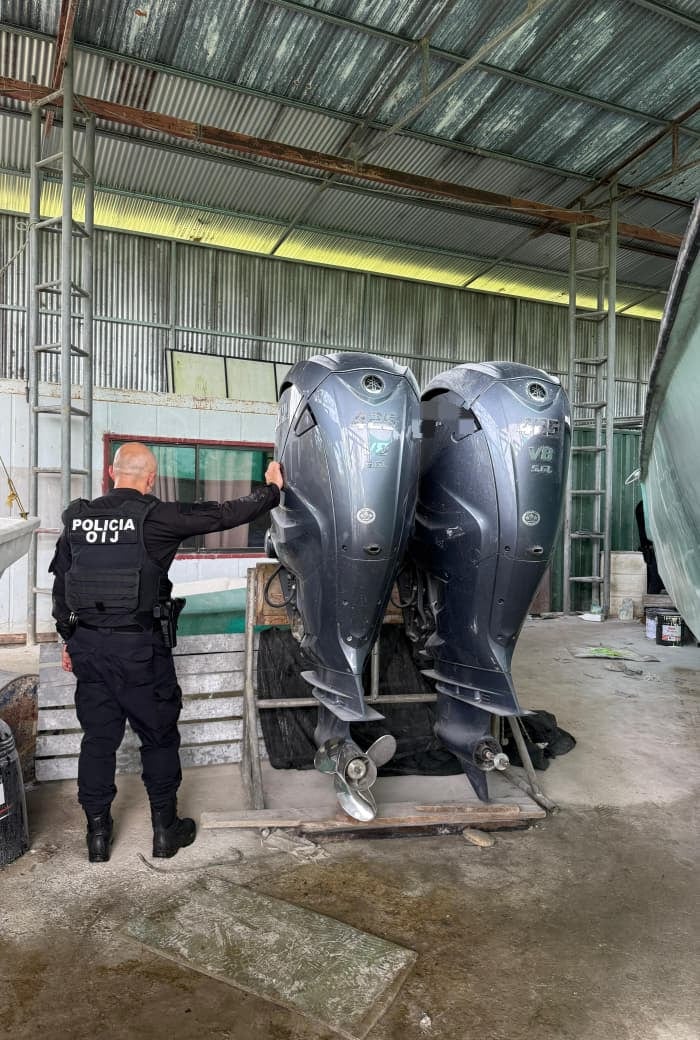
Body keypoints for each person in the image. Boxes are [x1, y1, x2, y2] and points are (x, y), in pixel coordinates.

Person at [50, 442, 284, 863]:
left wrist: (69, 640)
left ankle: (97, 840)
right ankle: (164, 833)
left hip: (89, 648)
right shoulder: (155, 516)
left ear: (110, 471)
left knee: (98, 742)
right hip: (139, 650)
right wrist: (270, 490)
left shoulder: (77, 519)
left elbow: (61, 590)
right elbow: (225, 513)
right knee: (158, 739)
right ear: (151, 479)